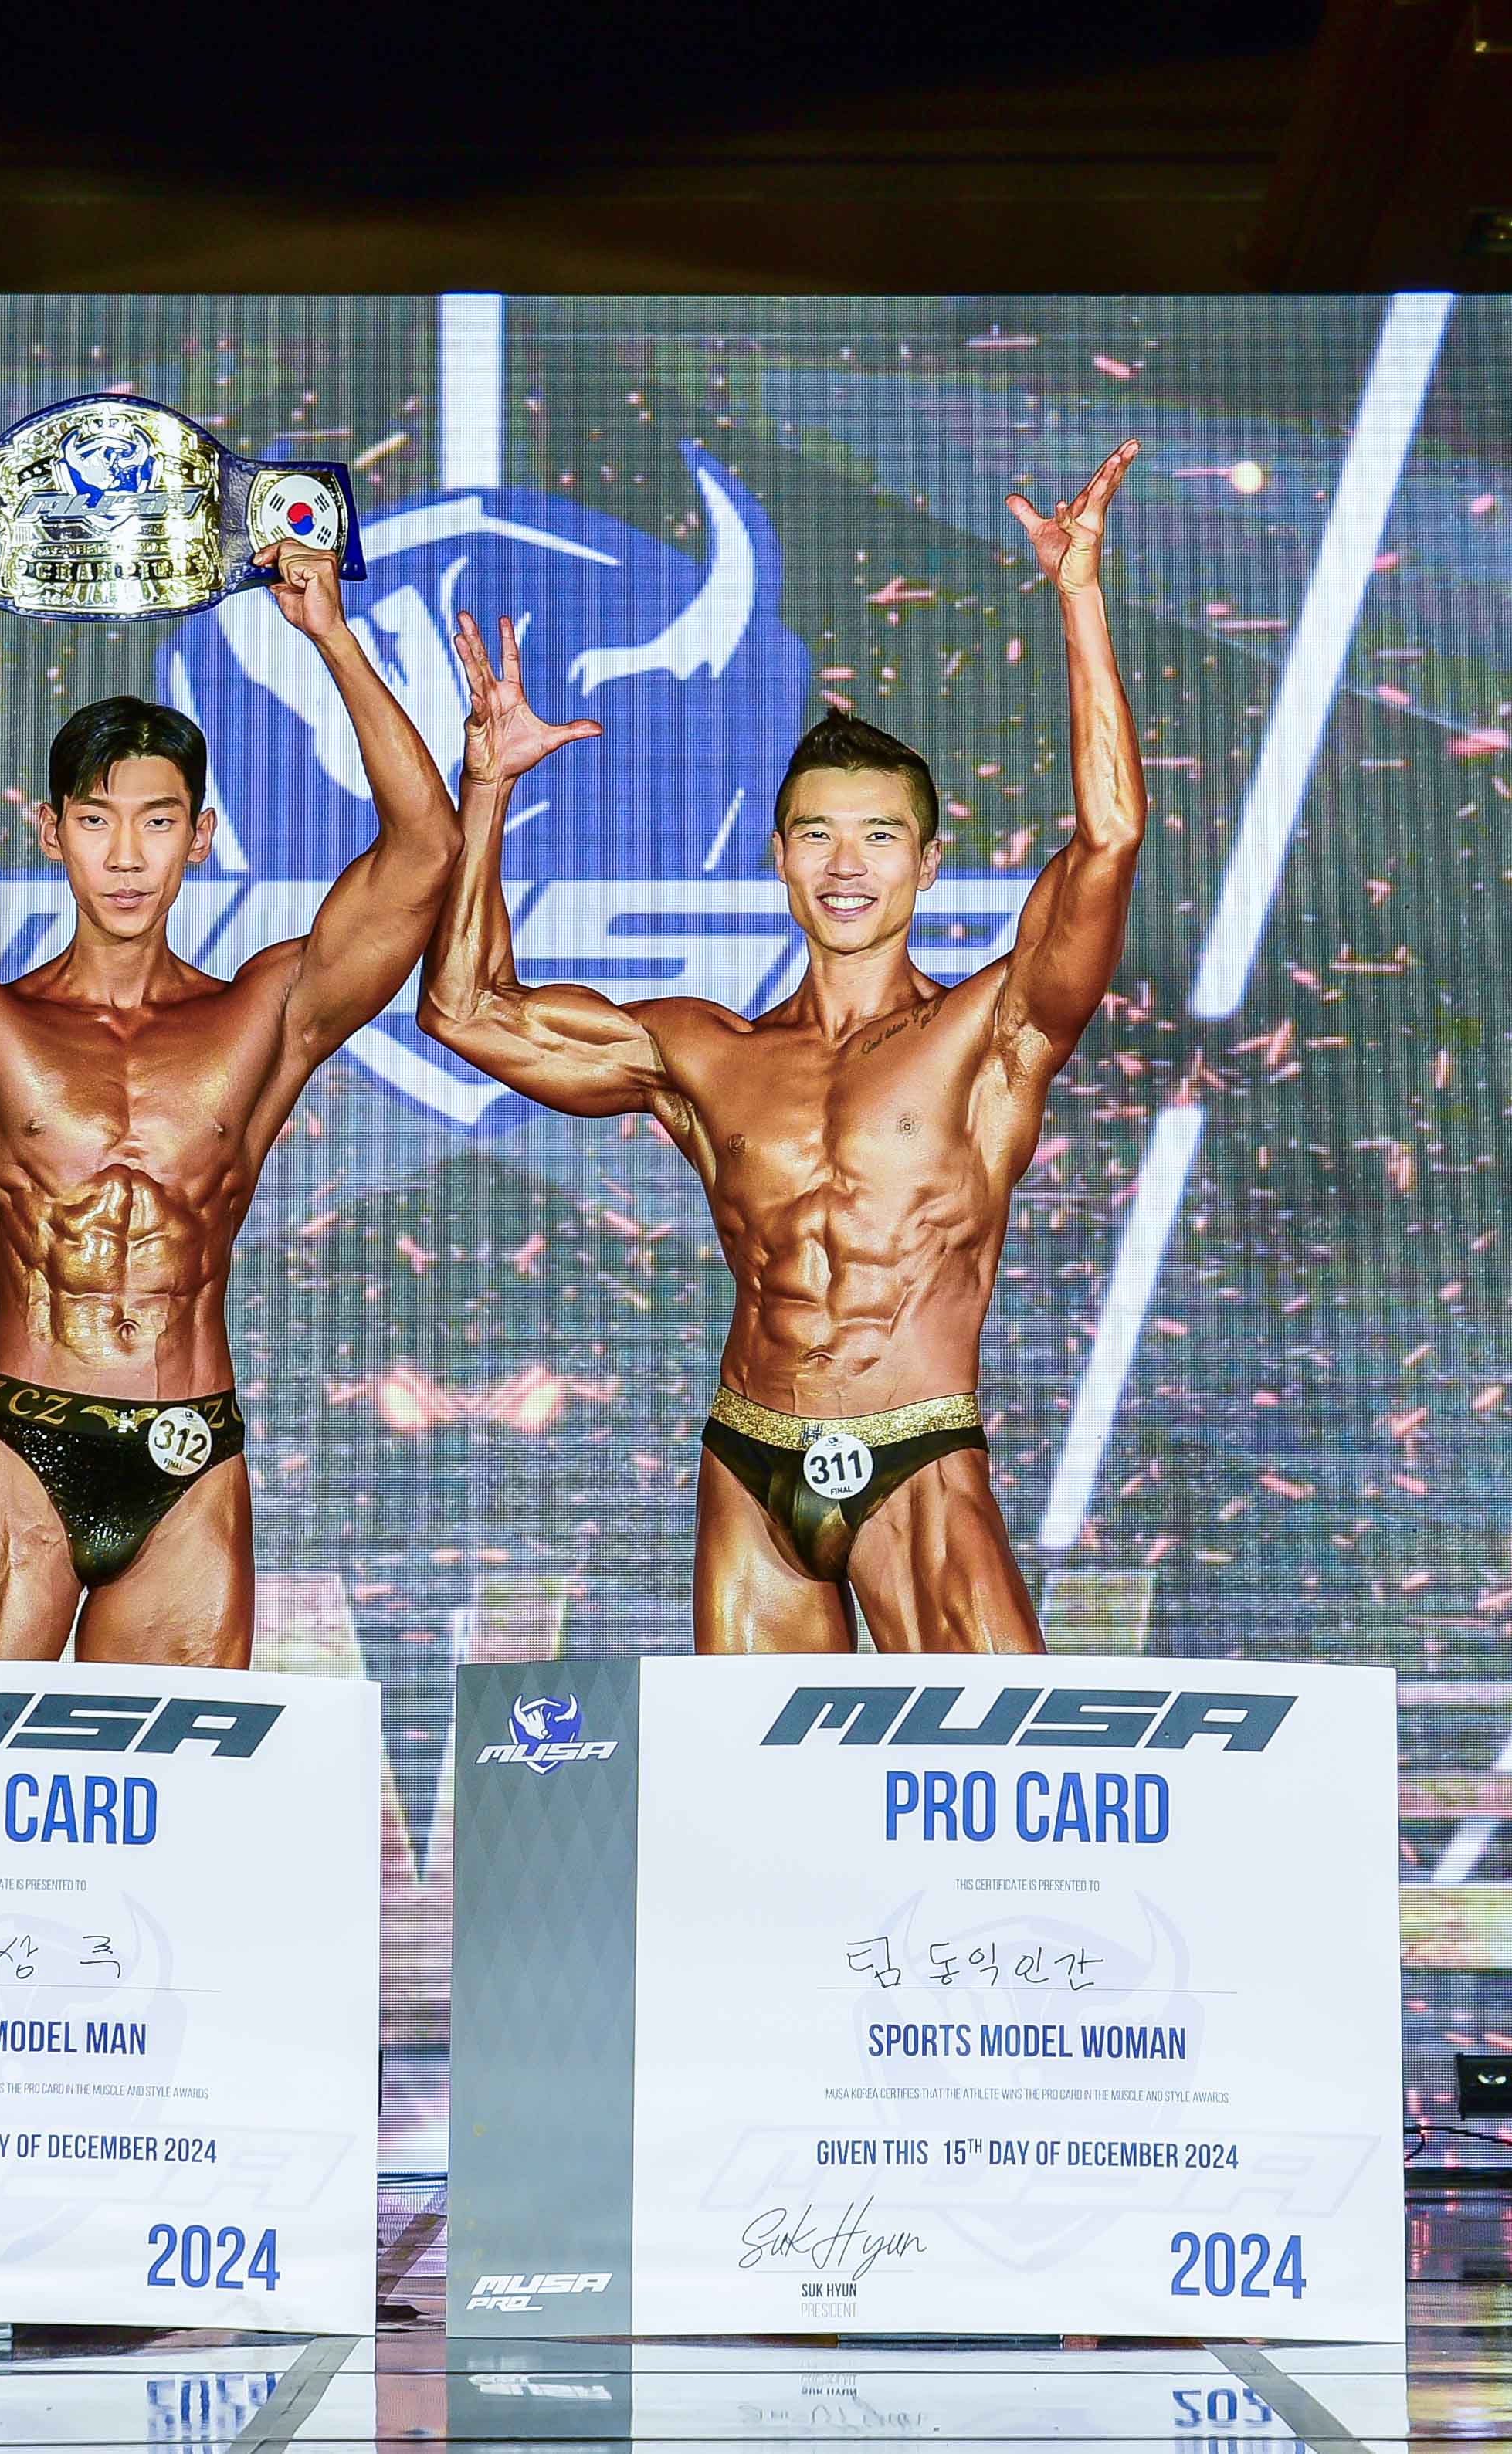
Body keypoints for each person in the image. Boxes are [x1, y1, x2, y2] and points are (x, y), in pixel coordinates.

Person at [419, 441, 1146, 1653]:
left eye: (877, 837)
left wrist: (1077, 597)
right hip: (750, 1459)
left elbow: (1108, 843)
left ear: (926, 865)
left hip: (915, 1452)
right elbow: (464, 1011)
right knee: (745, 1774)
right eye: (816, 835)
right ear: (777, 857)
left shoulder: (992, 1030)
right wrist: (486, 785)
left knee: (991, 1757)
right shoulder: (704, 1051)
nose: (845, 865)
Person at [0, 539, 455, 1665]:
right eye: (95, 820)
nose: (126, 855)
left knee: (175, 1768)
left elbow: (425, 849)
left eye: (157, 820)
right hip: (26, 1440)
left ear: (201, 836)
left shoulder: (263, 1017)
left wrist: (332, 636)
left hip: (191, 1455)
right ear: (51, 833)